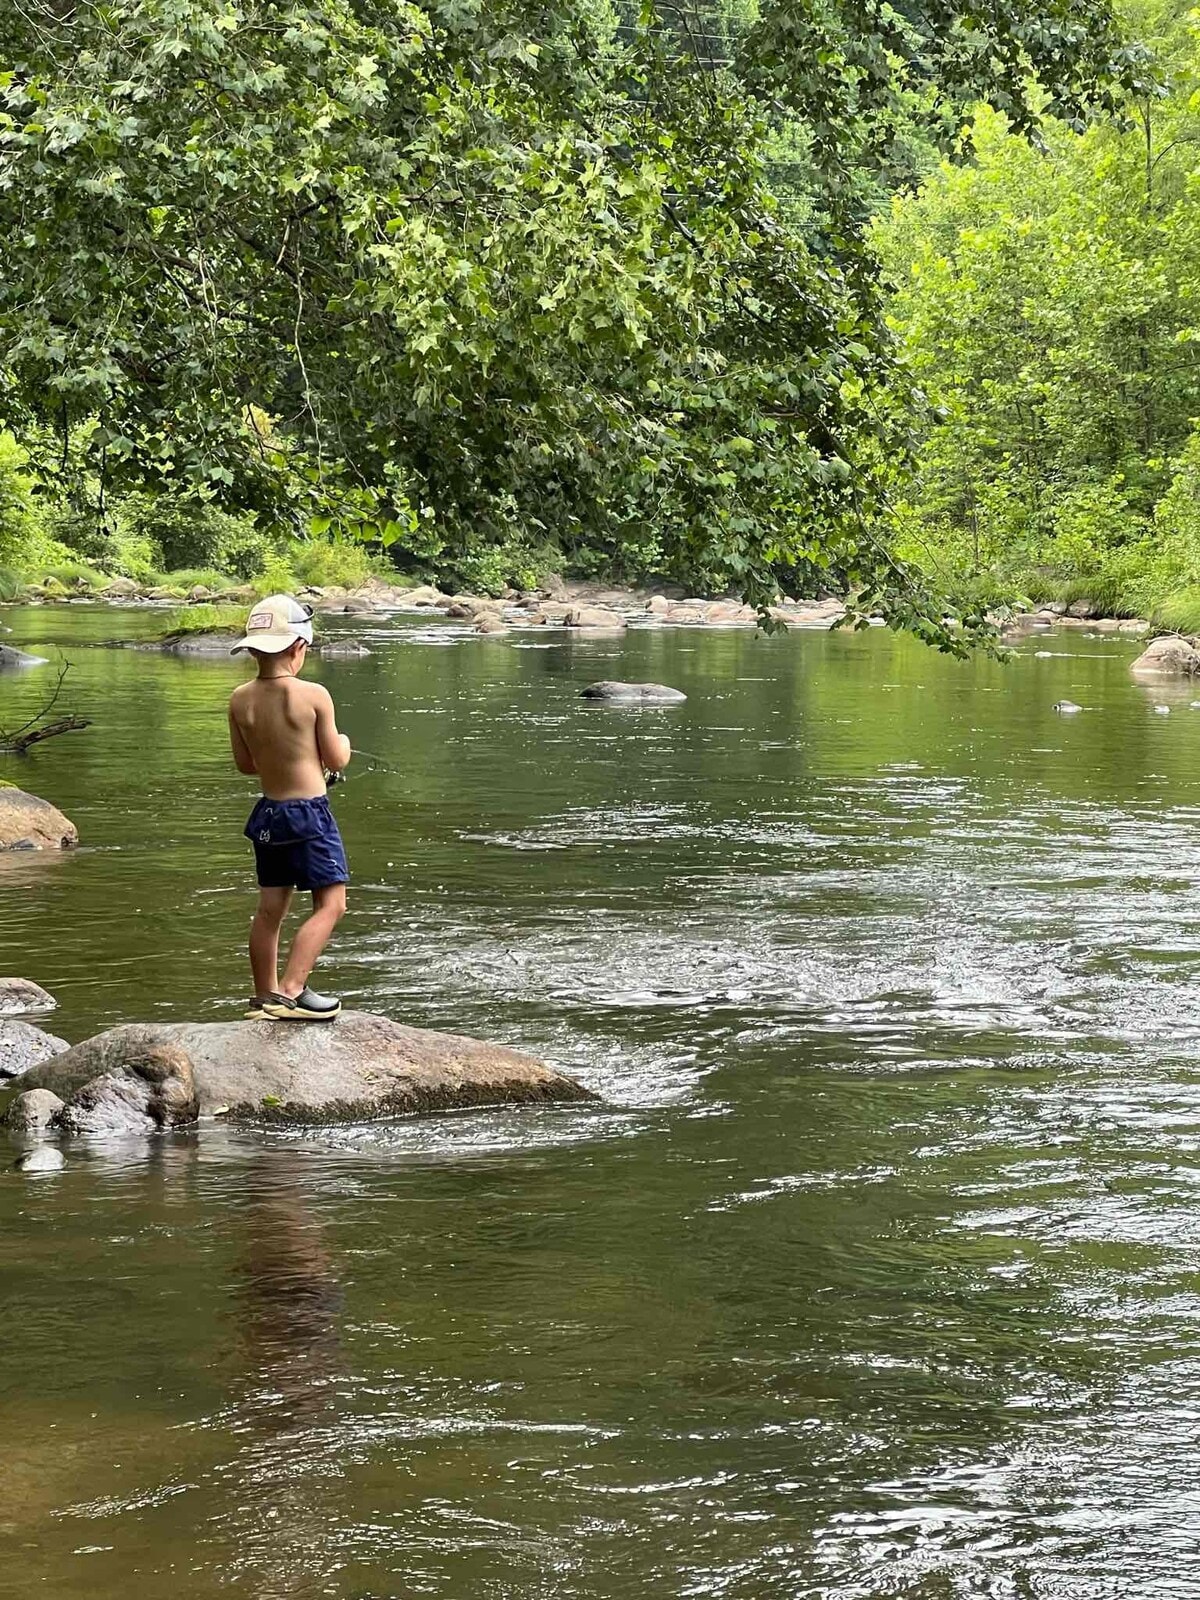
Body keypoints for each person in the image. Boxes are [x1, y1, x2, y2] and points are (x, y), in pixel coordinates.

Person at [227, 595, 352, 1021]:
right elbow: (335, 759)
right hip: (309, 814)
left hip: (268, 816)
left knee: (270, 909)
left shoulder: (239, 699)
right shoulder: (314, 694)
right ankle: (293, 990)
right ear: (299, 647)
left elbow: (246, 765)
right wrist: (345, 750)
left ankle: (263, 996)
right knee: (332, 904)